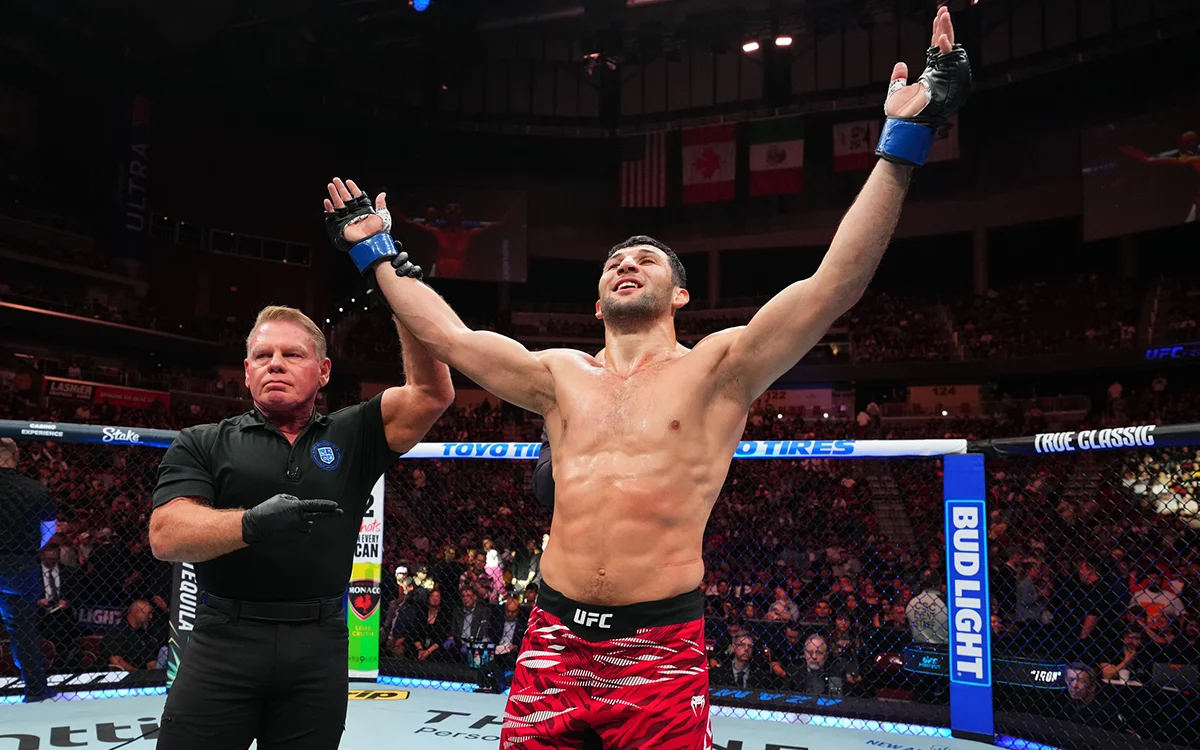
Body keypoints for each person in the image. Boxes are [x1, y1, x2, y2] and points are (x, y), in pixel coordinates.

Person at [323, 8, 969, 746]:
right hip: (553, 639)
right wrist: (375, 252)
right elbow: (449, 337)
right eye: (615, 263)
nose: (627, 263)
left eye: (647, 260)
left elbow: (834, 285)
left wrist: (902, 142)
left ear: (680, 294)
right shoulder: (558, 374)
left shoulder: (718, 370)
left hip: (659, 649)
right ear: (598, 302)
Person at [148, 305, 453, 749]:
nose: (275, 363)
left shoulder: (355, 433)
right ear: (247, 372)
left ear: (324, 371)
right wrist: (252, 523)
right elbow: (166, 534)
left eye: (292, 354)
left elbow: (431, 393)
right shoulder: (203, 441)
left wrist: (404, 302)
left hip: (318, 645)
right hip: (223, 641)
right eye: (262, 355)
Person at [0, 437, 54, 702]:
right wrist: (31, 546)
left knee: (22, 629)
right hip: (19, 565)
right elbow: (49, 529)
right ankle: (35, 690)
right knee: (22, 630)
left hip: (19, 563)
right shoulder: (34, 489)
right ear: (15, 455)